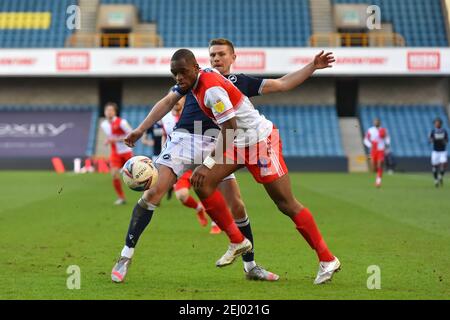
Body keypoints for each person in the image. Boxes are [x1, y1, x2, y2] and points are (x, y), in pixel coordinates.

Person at [111, 40, 335, 284]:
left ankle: (322, 259)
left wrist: (312, 66)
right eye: (213, 54)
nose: (217, 58)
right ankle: (236, 241)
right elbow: (168, 102)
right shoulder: (192, 80)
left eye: (221, 54)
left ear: (232, 57)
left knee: (281, 203)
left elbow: (274, 89)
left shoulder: (224, 85)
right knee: (200, 184)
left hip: (252, 140)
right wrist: (141, 129)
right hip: (215, 140)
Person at [100, 102, 133, 205]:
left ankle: (148, 194)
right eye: (107, 110)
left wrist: (115, 139)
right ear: (104, 112)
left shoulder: (122, 122)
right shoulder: (104, 124)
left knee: (135, 176)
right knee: (114, 174)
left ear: (115, 112)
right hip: (115, 153)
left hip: (126, 151)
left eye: (111, 110)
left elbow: (131, 134)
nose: (109, 112)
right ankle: (121, 197)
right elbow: (111, 137)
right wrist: (108, 140)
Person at [364, 118, 390, 188]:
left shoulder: (383, 130)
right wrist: (370, 145)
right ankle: (377, 173)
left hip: (381, 149)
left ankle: (378, 181)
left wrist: (387, 145)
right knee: (373, 167)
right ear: (373, 122)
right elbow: (366, 140)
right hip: (373, 150)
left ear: (380, 122)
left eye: (377, 121)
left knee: (380, 164)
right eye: (375, 121)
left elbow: (387, 138)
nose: (376, 122)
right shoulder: (370, 130)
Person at [429, 117, 448, 187]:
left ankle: (440, 176)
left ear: (441, 124)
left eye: (438, 123)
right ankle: (436, 180)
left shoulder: (444, 131)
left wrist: (443, 141)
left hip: (442, 151)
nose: (436, 124)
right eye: (435, 123)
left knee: (444, 164)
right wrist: (433, 139)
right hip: (435, 151)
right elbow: (430, 140)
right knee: (435, 166)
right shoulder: (433, 131)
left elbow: (446, 141)